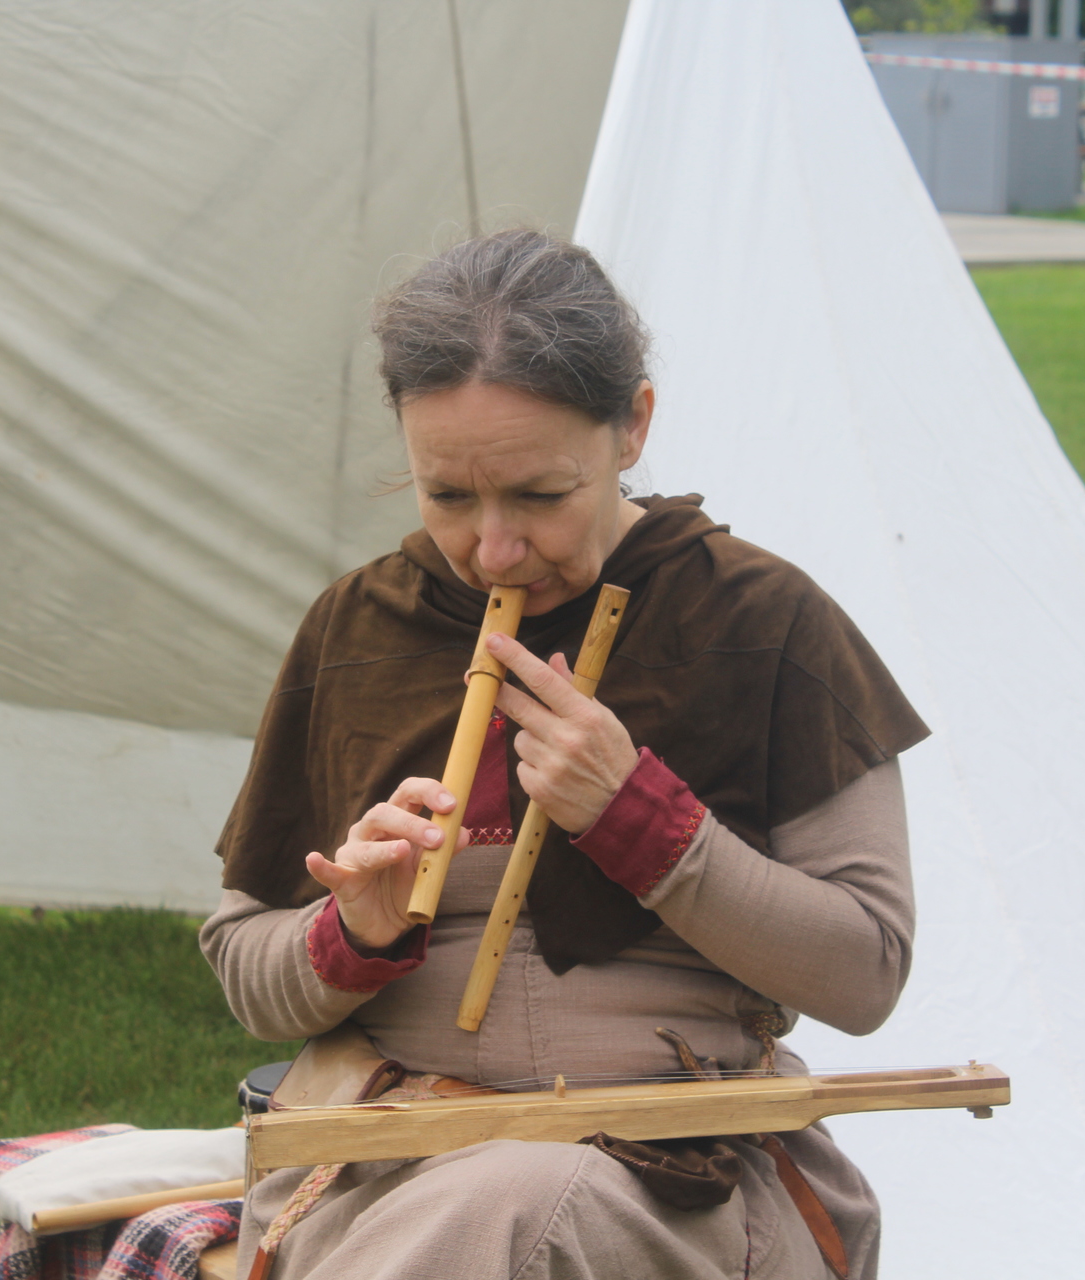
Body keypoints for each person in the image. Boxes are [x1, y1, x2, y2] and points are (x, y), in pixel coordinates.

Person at [201, 229, 929, 1280]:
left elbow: (866, 972)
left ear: (631, 424)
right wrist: (347, 932)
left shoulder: (766, 622)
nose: (494, 548)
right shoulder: (356, 628)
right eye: (448, 495)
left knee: (511, 1208)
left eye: (540, 496)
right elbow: (244, 971)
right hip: (376, 1156)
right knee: (483, 1210)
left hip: (676, 1173)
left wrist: (650, 826)